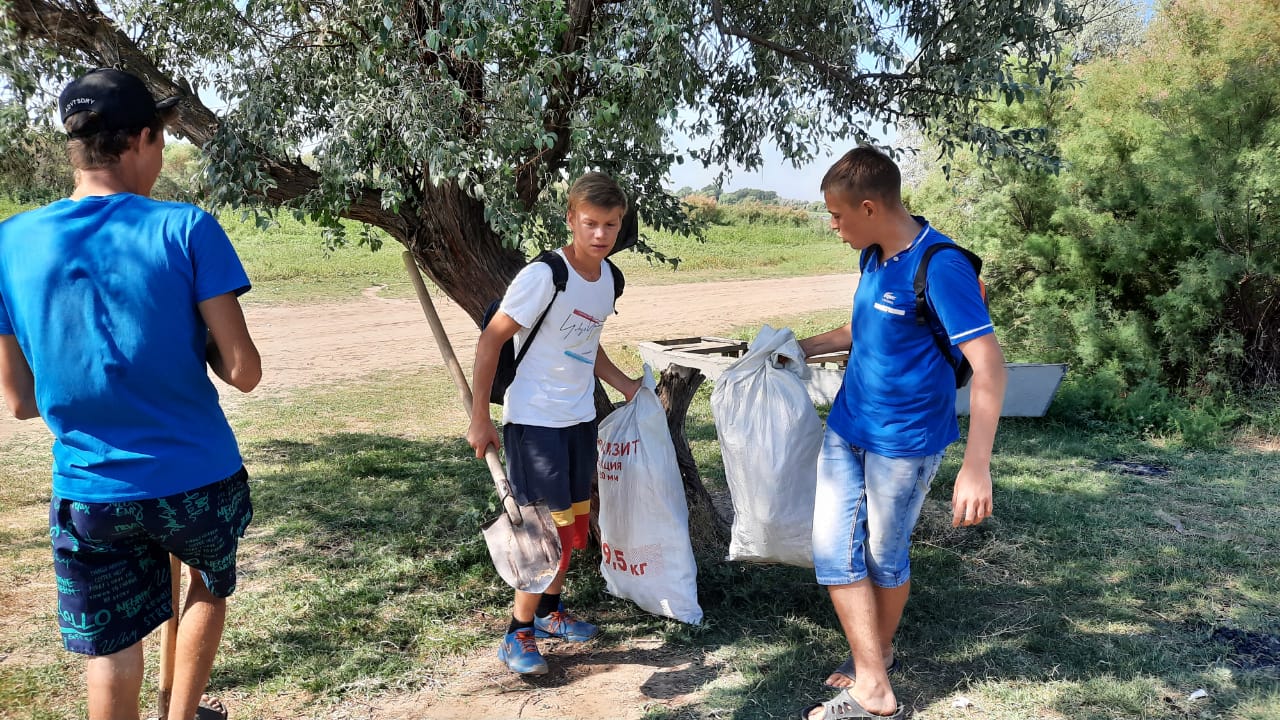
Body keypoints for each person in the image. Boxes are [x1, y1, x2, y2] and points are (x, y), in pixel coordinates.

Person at [0, 68, 261, 720]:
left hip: (91, 490)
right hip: (197, 477)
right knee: (204, 583)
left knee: (113, 643)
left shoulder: (10, 243)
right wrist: (188, 338)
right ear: (143, 139)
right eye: (162, 142)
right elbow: (244, 369)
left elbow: (19, 400)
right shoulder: (187, 228)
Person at [796, 146, 1007, 720]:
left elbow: (988, 366)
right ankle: (875, 680)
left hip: (906, 442)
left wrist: (976, 465)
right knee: (835, 553)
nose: (833, 226)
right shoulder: (873, 256)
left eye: (837, 216)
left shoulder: (940, 266)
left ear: (869, 207)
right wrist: (801, 347)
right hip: (848, 428)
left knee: (884, 557)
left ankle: (875, 666)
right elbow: (868, 325)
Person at [466, 171, 642, 675]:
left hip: (578, 419)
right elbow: (490, 341)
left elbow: (587, 343)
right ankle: (516, 635)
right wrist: (481, 417)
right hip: (535, 422)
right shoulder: (545, 275)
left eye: (610, 225)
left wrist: (624, 383)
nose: (600, 235)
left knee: (570, 526)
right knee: (543, 533)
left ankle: (548, 613)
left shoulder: (609, 278)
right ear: (571, 218)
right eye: (590, 223)